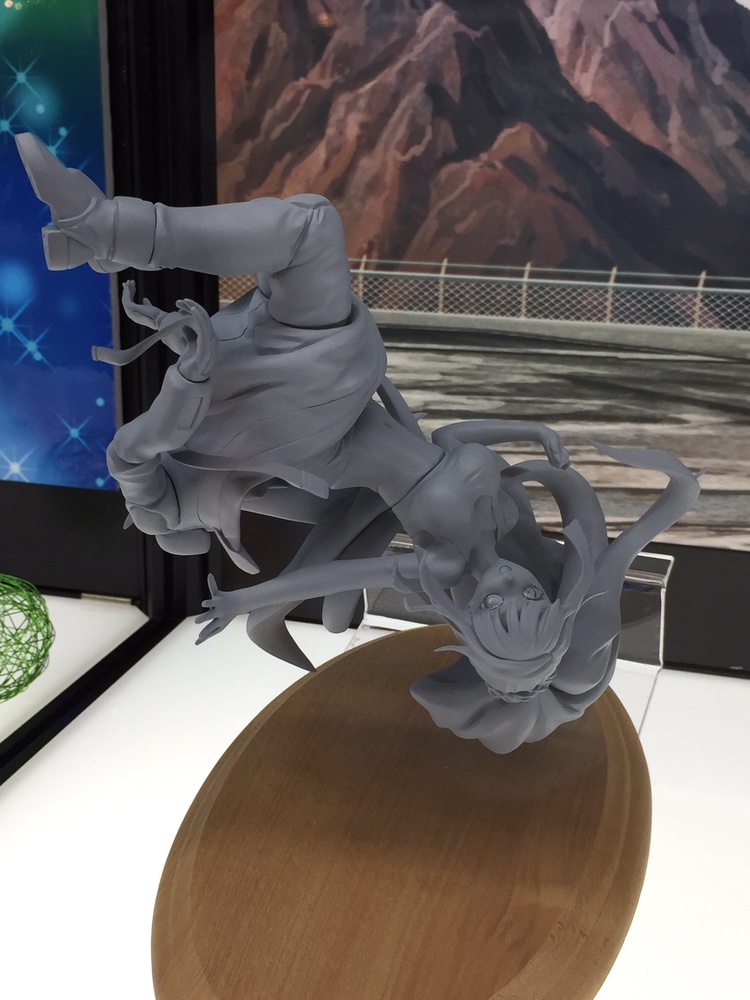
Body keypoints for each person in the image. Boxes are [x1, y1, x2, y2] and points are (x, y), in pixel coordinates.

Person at [16, 132, 702, 752]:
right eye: (529, 599)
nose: (507, 587)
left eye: (496, 608)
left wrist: (246, 603)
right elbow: (463, 445)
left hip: (320, 425)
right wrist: (570, 448)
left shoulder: (441, 566)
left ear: (471, 620)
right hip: (345, 401)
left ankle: (105, 228)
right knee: (303, 234)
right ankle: (97, 231)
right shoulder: (510, 516)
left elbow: (339, 578)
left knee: (311, 228)